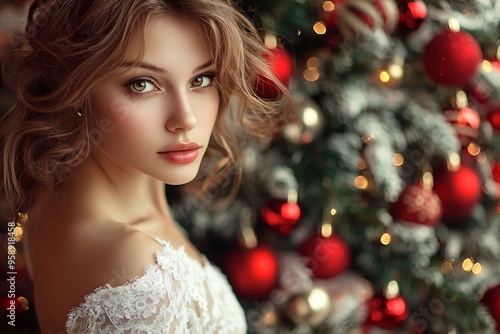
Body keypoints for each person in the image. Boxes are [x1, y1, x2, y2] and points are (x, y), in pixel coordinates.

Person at [0, 0, 290, 333]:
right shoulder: (138, 274)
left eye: (202, 79)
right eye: (142, 84)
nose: (186, 119)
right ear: (78, 89)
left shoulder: (56, 196)